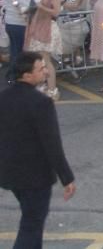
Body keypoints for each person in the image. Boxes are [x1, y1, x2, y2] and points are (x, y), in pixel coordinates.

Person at [0, 52, 76, 249]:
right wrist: (66, 177)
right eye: (41, 69)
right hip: (35, 176)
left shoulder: (3, 98)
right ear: (26, 75)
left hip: (10, 173)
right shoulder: (41, 102)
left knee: (31, 218)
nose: (45, 72)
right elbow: (52, 143)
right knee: (31, 225)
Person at [25, 0, 67, 99]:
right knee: (40, 59)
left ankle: (52, 89)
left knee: (46, 60)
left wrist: (41, 7)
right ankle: (43, 86)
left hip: (48, 27)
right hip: (39, 26)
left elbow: (55, 13)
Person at [3, 0, 35, 75]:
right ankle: (15, 76)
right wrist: (25, 12)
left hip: (24, 21)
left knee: (17, 50)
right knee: (18, 51)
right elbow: (17, 2)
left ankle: (13, 74)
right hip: (16, 22)